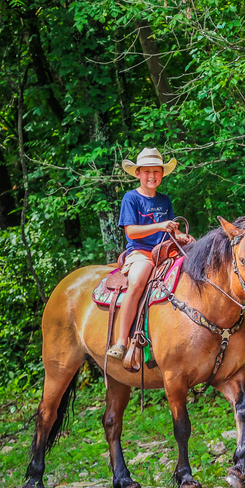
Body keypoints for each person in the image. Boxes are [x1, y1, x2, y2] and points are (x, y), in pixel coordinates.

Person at [106, 148, 190, 361]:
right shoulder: (131, 198)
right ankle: (122, 341)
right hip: (141, 252)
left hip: (165, 252)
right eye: (147, 172)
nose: (152, 176)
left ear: (162, 174)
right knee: (138, 282)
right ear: (138, 174)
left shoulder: (165, 200)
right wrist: (161, 225)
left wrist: (182, 236)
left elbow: (171, 230)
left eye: (156, 172)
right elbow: (131, 231)